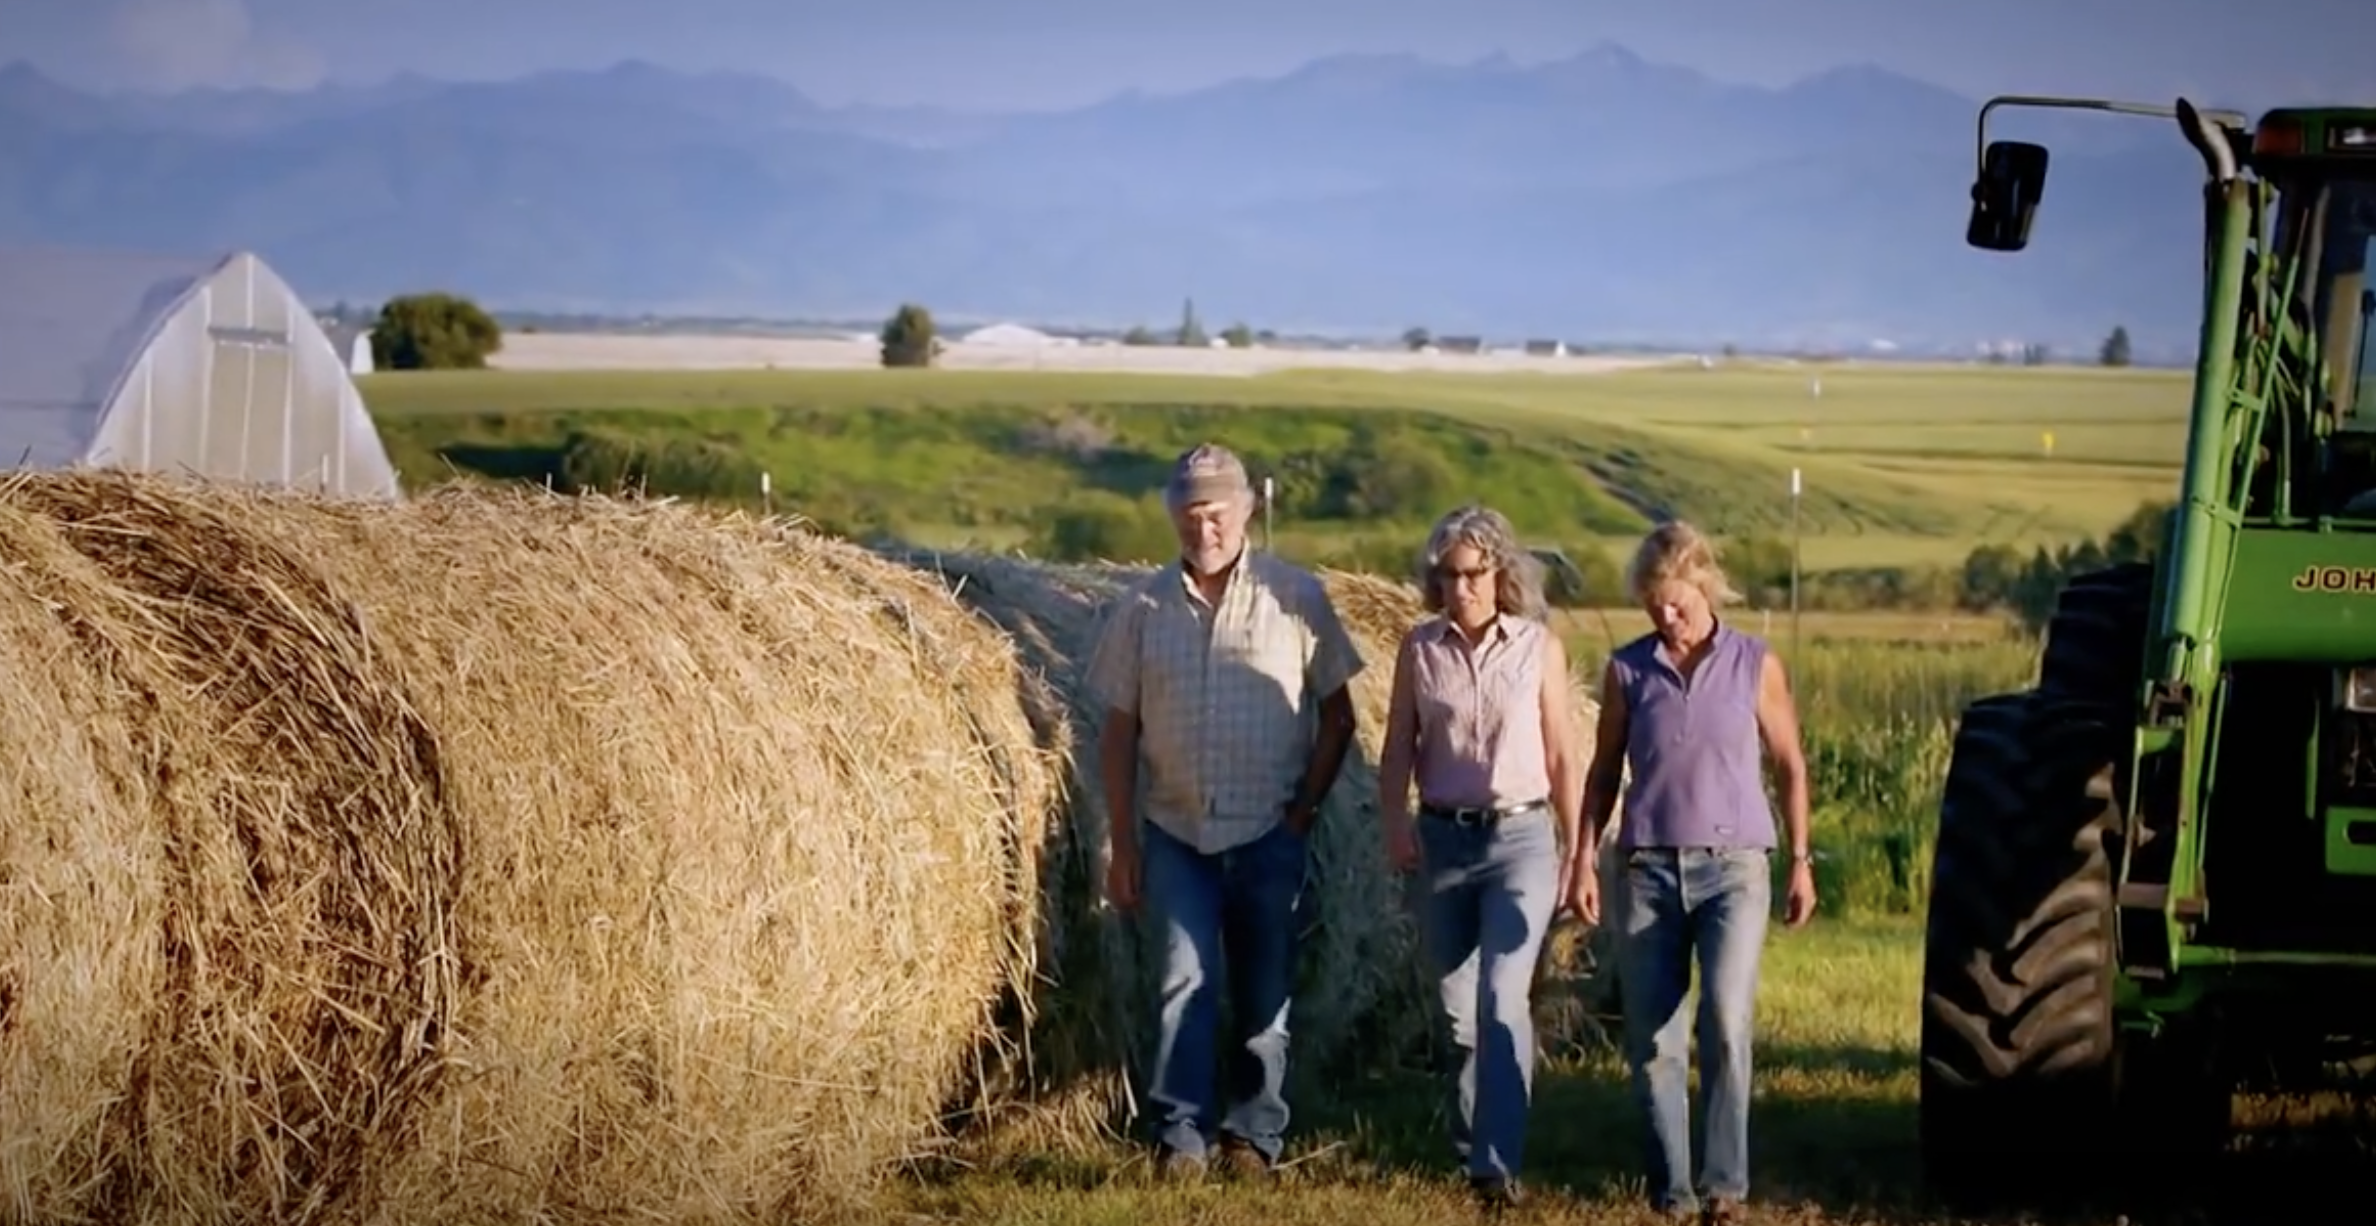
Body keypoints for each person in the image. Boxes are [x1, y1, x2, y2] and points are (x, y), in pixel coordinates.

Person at [1084, 442, 1365, 1181]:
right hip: (1175, 829)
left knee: (1264, 995)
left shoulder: (1295, 597)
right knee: (1182, 983)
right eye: (1187, 514)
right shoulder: (1142, 606)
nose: (1200, 527)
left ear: (1246, 510)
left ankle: (1253, 1136)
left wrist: (1303, 810)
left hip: (1268, 830)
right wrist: (1122, 836)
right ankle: (1181, 1135)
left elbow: (1340, 715)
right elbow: (1119, 731)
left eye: (1213, 512)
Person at [1571, 519, 1816, 1225]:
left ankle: (1725, 1186)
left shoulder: (1754, 663)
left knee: (1727, 1019)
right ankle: (1670, 1191)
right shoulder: (1626, 669)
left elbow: (1790, 765)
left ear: (1704, 585)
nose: (1664, 616)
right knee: (1654, 1038)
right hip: (1647, 868)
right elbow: (1601, 774)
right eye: (1652, 604)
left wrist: (1800, 860)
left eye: (1675, 602)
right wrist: (1584, 856)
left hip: (1735, 868)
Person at [1377, 505, 1586, 1210]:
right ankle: (1472, 1146)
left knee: (1503, 1000)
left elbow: (1561, 753)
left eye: (1473, 572)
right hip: (1443, 838)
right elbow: (1398, 743)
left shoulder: (1536, 647)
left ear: (1501, 573)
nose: (1460, 586)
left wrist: (1580, 851)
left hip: (1521, 839)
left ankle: (1497, 1166)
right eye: (1448, 575)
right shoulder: (1418, 648)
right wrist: (1394, 824)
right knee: (1458, 1015)